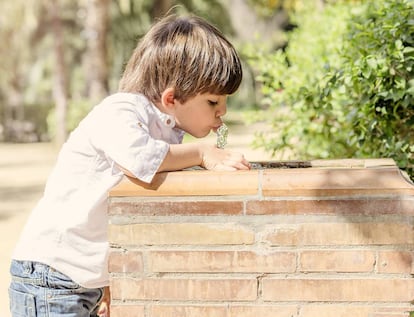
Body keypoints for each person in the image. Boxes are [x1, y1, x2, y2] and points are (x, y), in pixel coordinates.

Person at [8, 14, 251, 317]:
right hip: (51, 280)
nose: (222, 113)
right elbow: (141, 161)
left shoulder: (167, 130)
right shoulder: (120, 112)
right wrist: (201, 153)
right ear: (171, 97)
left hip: (84, 283)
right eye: (214, 103)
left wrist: (108, 285)